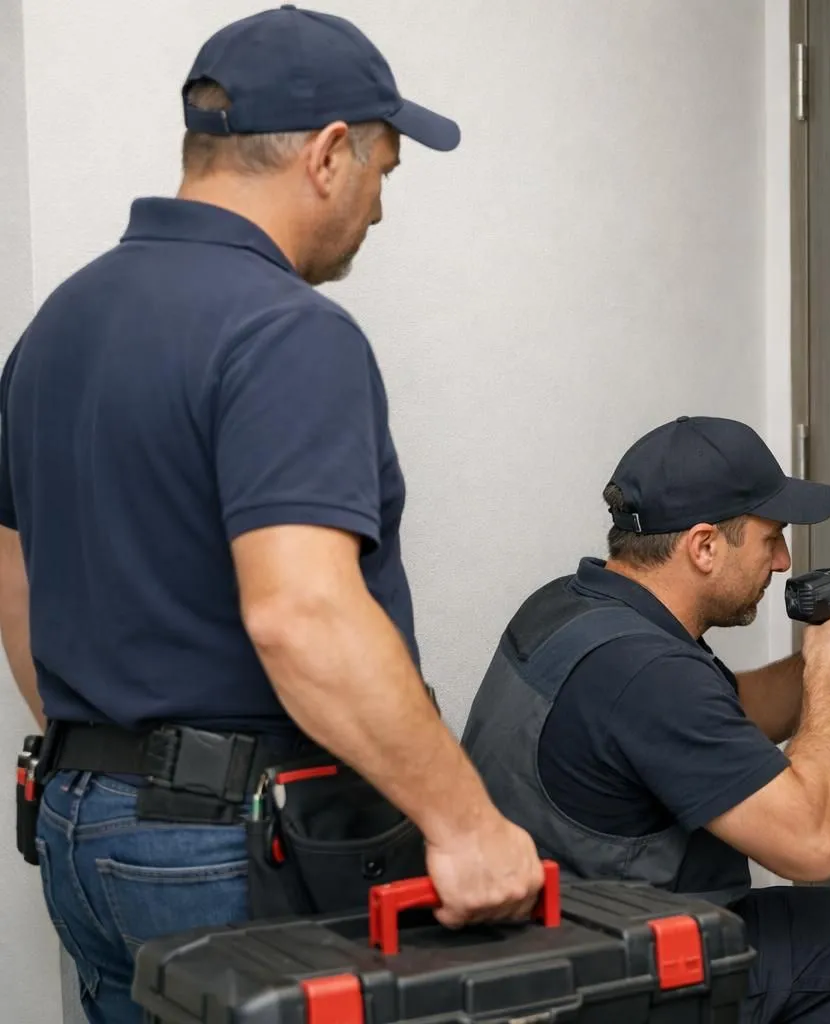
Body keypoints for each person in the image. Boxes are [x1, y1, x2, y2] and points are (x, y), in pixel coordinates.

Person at [0, 8, 544, 1021]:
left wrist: (121, 765)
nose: (380, 208)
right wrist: (467, 824)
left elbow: (14, 569)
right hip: (227, 844)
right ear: (331, 154)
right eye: (385, 166)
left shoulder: (58, 324)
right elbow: (303, 614)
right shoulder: (287, 331)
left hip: (82, 828)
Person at [461, 415, 830, 1024]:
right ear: (703, 546)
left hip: (543, 945)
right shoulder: (651, 675)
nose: (783, 561)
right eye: (771, 537)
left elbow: (721, 717)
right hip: (620, 978)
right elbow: (812, 845)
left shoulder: (572, 605)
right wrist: (827, 680)